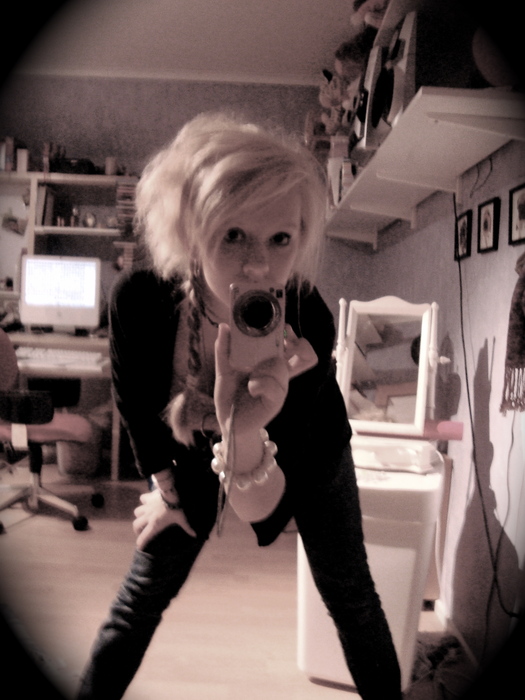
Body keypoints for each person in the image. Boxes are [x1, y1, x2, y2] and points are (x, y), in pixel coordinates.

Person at [76, 112, 402, 700]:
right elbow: (136, 406)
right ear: (191, 230)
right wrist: (168, 492)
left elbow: (258, 504)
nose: (259, 265)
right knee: (139, 598)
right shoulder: (139, 301)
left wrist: (247, 424)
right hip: (191, 457)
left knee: (351, 596)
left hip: (309, 453)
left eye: (281, 239)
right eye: (233, 235)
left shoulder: (307, 320)